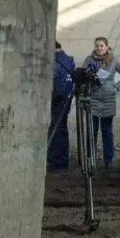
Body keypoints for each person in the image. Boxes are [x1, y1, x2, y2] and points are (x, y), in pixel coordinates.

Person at [84, 37, 120, 170]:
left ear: (106, 47)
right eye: (97, 46)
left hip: (108, 99)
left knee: (107, 130)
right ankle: (89, 157)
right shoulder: (89, 60)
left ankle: (108, 159)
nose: (99, 48)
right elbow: (82, 74)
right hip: (93, 97)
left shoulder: (113, 60)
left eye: (102, 46)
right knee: (91, 130)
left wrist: (116, 87)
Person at [48, 41, 75, 172]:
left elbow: (52, 83)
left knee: (56, 130)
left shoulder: (55, 63)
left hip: (56, 100)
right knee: (62, 129)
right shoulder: (69, 61)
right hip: (66, 99)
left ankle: (57, 162)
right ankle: (61, 160)